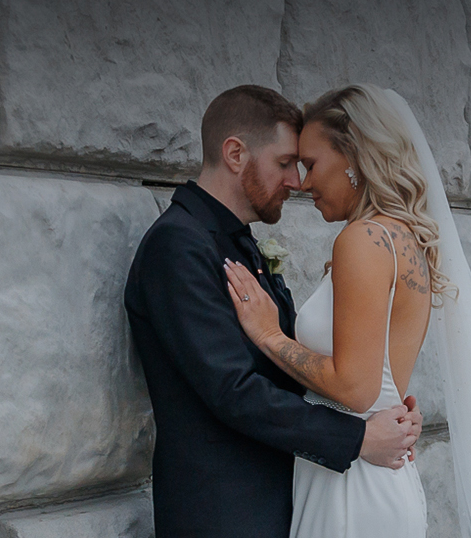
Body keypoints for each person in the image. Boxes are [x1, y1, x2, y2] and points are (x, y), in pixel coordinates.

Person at [222, 85, 471, 537]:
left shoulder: (364, 240)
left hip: (352, 486)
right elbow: (378, 379)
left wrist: (269, 336)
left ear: (355, 156)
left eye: (312, 163)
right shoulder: (403, 238)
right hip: (370, 470)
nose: (303, 182)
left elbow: (356, 387)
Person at [123, 85, 424, 538]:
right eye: (285, 163)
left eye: (302, 164)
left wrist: (386, 413)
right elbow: (233, 388)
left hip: (285, 498)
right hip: (225, 512)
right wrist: (359, 437)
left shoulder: (241, 242)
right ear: (235, 153)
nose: (296, 181)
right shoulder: (178, 245)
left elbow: (294, 371)